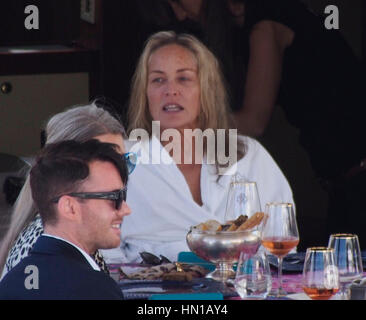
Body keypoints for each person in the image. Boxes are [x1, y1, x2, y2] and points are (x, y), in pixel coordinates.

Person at [101, 31, 294, 263]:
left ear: (206, 91)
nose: (170, 90)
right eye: (158, 80)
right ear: (145, 93)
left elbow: (281, 241)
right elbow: (101, 249)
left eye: (184, 78)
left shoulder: (248, 156)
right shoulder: (123, 159)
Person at [223, 0, 366, 247]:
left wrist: (186, 126)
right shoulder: (290, 18)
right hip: (344, 181)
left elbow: (253, 121)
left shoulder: (267, 25)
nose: (234, 8)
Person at [0, 101, 135, 278]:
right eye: (106, 160)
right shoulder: (47, 244)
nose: (119, 171)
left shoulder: (68, 235)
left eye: (123, 160)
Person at [0, 139, 131, 299]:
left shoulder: (11, 282)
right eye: (114, 197)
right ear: (69, 207)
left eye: (123, 195)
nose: (126, 209)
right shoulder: (93, 288)